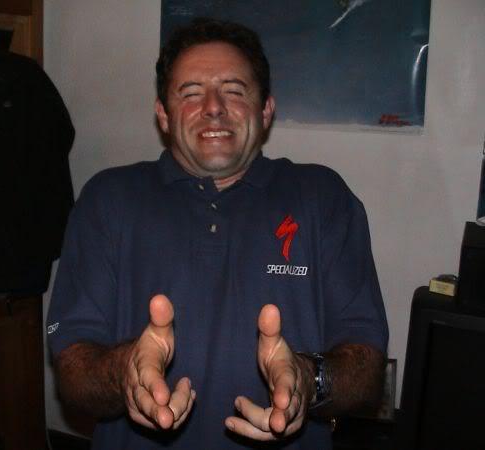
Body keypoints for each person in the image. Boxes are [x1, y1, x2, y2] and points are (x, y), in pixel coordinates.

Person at [46, 17, 388, 449]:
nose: (213, 107)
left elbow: (367, 368)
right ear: (163, 114)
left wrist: (307, 378)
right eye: (191, 92)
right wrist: (125, 371)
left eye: (234, 90)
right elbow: (72, 370)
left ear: (266, 110)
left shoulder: (323, 197)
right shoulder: (107, 199)